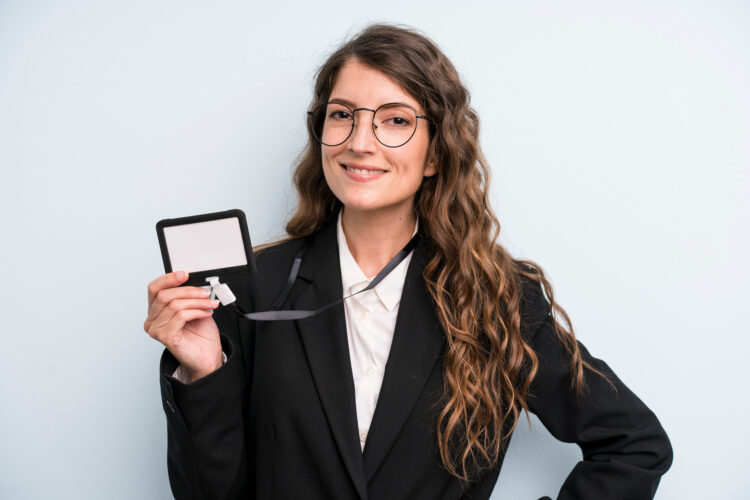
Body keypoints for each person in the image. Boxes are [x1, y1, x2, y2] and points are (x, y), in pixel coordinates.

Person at [143, 24, 672, 500]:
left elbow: (635, 445)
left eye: (395, 120)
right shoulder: (251, 290)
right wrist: (203, 372)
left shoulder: (497, 295)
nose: (360, 143)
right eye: (342, 116)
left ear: (437, 154)